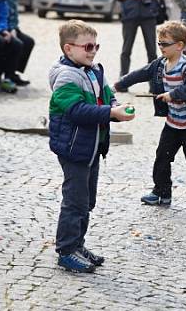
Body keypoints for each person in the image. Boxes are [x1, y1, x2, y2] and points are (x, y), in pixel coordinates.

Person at [48, 20, 134, 273]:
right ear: (68, 49)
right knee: (74, 201)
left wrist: (116, 106)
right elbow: (76, 111)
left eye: (95, 46)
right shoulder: (66, 77)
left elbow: (108, 94)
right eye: (87, 46)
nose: (93, 51)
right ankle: (66, 250)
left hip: (92, 147)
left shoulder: (94, 69)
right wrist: (110, 113)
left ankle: (78, 244)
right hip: (74, 148)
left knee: (87, 200)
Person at [114, 21, 186, 207]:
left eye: (165, 44)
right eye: (159, 43)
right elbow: (141, 73)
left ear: (180, 45)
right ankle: (161, 192)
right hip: (173, 123)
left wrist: (173, 94)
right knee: (162, 156)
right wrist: (119, 84)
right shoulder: (160, 64)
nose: (161, 47)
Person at [114, 0, 168, 86]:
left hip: (148, 15)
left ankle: (155, 83)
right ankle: (123, 81)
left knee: (152, 50)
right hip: (129, 16)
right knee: (126, 50)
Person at [0, 0, 35, 86]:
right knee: (16, 43)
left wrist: (14, 28)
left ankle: (13, 72)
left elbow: (14, 12)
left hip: (10, 26)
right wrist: (8, 29)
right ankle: (8, 75)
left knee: (28, 41)